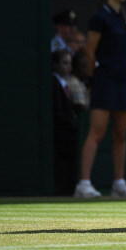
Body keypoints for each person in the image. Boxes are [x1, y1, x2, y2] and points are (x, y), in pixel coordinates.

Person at [75, 0, 126, 199]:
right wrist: (92, 79)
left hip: (124, 81)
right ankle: (83, 184)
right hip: (104, 79)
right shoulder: (99, 17)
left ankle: (119, 183)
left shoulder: (124, 16)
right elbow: (90, 50)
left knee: (121, 133)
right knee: (97, 131)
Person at [52, 50, 78, 196]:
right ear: (55, 64)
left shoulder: (66, 83)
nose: (68, 67)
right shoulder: (54, 84)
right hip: (61, 133)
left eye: (70, 63)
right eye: (64, 63)